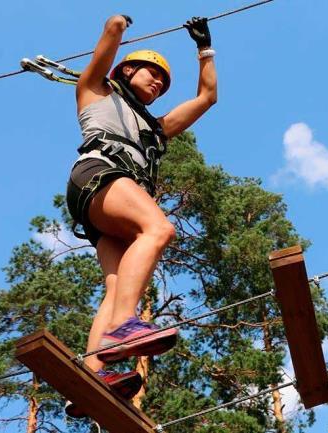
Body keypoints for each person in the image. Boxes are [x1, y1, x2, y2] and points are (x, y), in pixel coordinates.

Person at [64, 14, 217, 417]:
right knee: (159, 227)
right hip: (98, 177)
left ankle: (94, 371)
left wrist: (205, 49)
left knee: (115, 289)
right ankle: (123, 329)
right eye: (154, 74)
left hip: (107, 205)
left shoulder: (156, 128)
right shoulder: (95, 90)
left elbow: (207, 98)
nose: (160, 84)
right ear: (128, 69)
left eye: (165, 83)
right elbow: (109, 38)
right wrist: (116, 25)